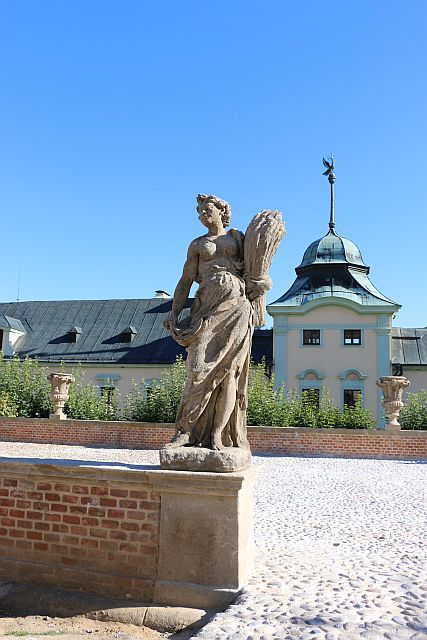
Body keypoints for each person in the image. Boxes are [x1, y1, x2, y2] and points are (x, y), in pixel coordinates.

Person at [164, 193, 257, 450]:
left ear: (221, 211)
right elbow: (185, 281)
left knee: (229, 375)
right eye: (200, 212)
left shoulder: (237, 238)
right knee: (196, 370)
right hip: (205, 308)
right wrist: (174, 312)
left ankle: (218, 434)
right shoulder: (197, 245)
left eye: (208, 209)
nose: (203, 214)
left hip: (237, 307)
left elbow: (257, 270)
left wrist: (263, 283)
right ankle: (185, 432)